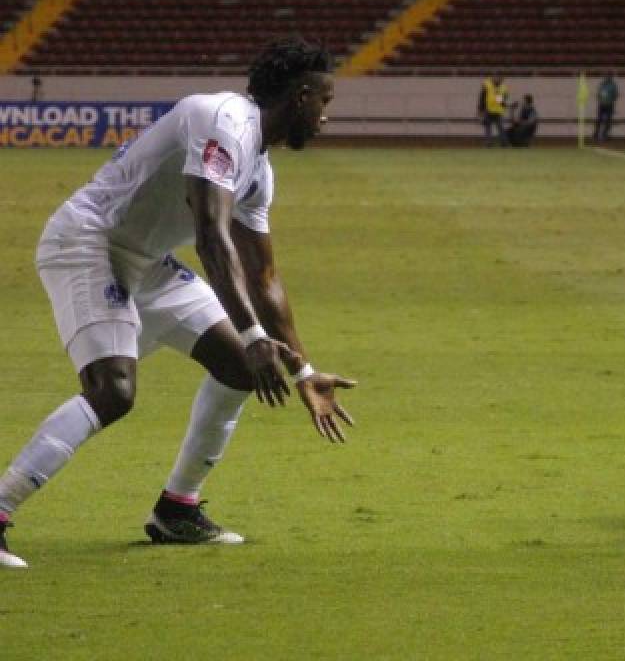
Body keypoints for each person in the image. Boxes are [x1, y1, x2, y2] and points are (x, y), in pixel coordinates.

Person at [0, 37, 357, 570]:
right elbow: (212, 237)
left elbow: (263, 276)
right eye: (324, 102)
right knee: (113, 390)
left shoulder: (259, 169)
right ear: (302, 95)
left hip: (147, 260)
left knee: (238, 368)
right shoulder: (225, 120)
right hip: (89, 241)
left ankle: (177, 510)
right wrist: (257, 337)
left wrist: (301, 366)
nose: (326, 117)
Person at [478, 73, 508, 147]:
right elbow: (482, 97)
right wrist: (480, 109)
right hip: (488, 110)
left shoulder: (503, 88)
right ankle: (488, 143)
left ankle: (504, 143)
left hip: (498, 111)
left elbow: (503, 99)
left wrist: (504, 105)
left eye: (501, 79)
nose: (499, 80)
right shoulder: (487, 85)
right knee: (488, 128)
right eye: (497, 78)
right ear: (493, 78)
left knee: (500, 128)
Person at [593, 73, 618, 143]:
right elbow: (598, 94)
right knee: (600, 120)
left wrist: (610, 100)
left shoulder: (612, 85)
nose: (607, 78)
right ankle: (597, 134)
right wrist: (602, 100)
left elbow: (615, 95)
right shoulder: (605, 85)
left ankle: (603, 135)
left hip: (608, 104)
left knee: (607, 121)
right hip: (604, 104)